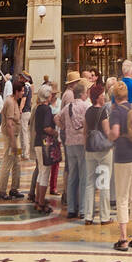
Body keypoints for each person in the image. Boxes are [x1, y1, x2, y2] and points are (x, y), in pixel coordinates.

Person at [108, 80, 132, 250]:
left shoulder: (115, 112)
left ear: (115, 97)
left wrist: (107, 135)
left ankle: (123, 238)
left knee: (122, 197)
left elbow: (115, 133)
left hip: (124, 155)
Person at [58, 78, 89, 218]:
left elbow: (56, 118)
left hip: (70, 144)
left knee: (72, 176)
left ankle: (71, 208)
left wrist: (63, 126)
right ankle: (82, 209)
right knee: (83, 176)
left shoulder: (68, 106)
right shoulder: (85, 106)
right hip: (82, 143)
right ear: (82, 94)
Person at [83, 82, 112, 225]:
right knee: (103, 183)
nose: (104, 97)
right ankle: (104, 216)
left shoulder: (88, 111)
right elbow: (107, 132)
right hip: (103, 151)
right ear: (98, 97)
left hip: (90, 149)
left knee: (89, 184)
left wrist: (85, 146)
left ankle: (88, 216)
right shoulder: (103, 112)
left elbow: (85, 131)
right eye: (102, 95)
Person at [0, 76, 25, 201]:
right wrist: (13, 142)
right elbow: (9, 124)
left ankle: (14, 188)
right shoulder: (9, 102)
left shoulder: (15, 101)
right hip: (11, 138)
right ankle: (2, 190)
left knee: (17, 162)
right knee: (8, 162)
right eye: (22, 91)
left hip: (16, 137)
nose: (23, 93)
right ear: (17, 91)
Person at [30, 87, 56, 214]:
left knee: (41, 171)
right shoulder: (46, 109)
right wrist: (55, 132)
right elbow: (46, 127)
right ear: (48, 96)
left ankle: (38, 199)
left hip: (37, 142)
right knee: (45, 172)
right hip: (45, 143)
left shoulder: (38, 108)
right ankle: (41, 202)